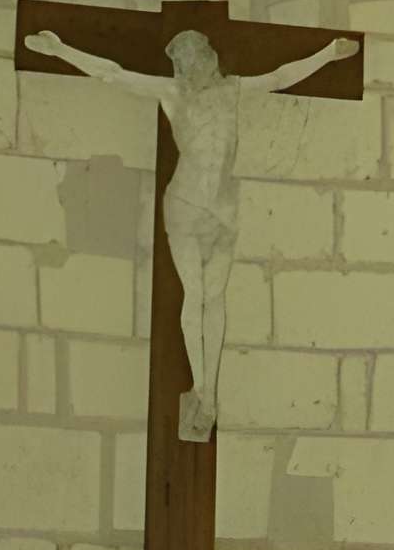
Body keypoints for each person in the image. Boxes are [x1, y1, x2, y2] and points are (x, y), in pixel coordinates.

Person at [25, 22, 358, 439]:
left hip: (223, 208)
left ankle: (209, 394)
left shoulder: (232, 89)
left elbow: (280, 77)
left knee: (215, 297)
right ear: (183, 67)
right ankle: (201, 388)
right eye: (190, 62)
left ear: (209, 57)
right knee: (197, 295)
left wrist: (328, 53)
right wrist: (59, 49)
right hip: (185, 206)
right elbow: (111, 72)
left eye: (202, 56)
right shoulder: (172, 93)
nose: (199, 66)